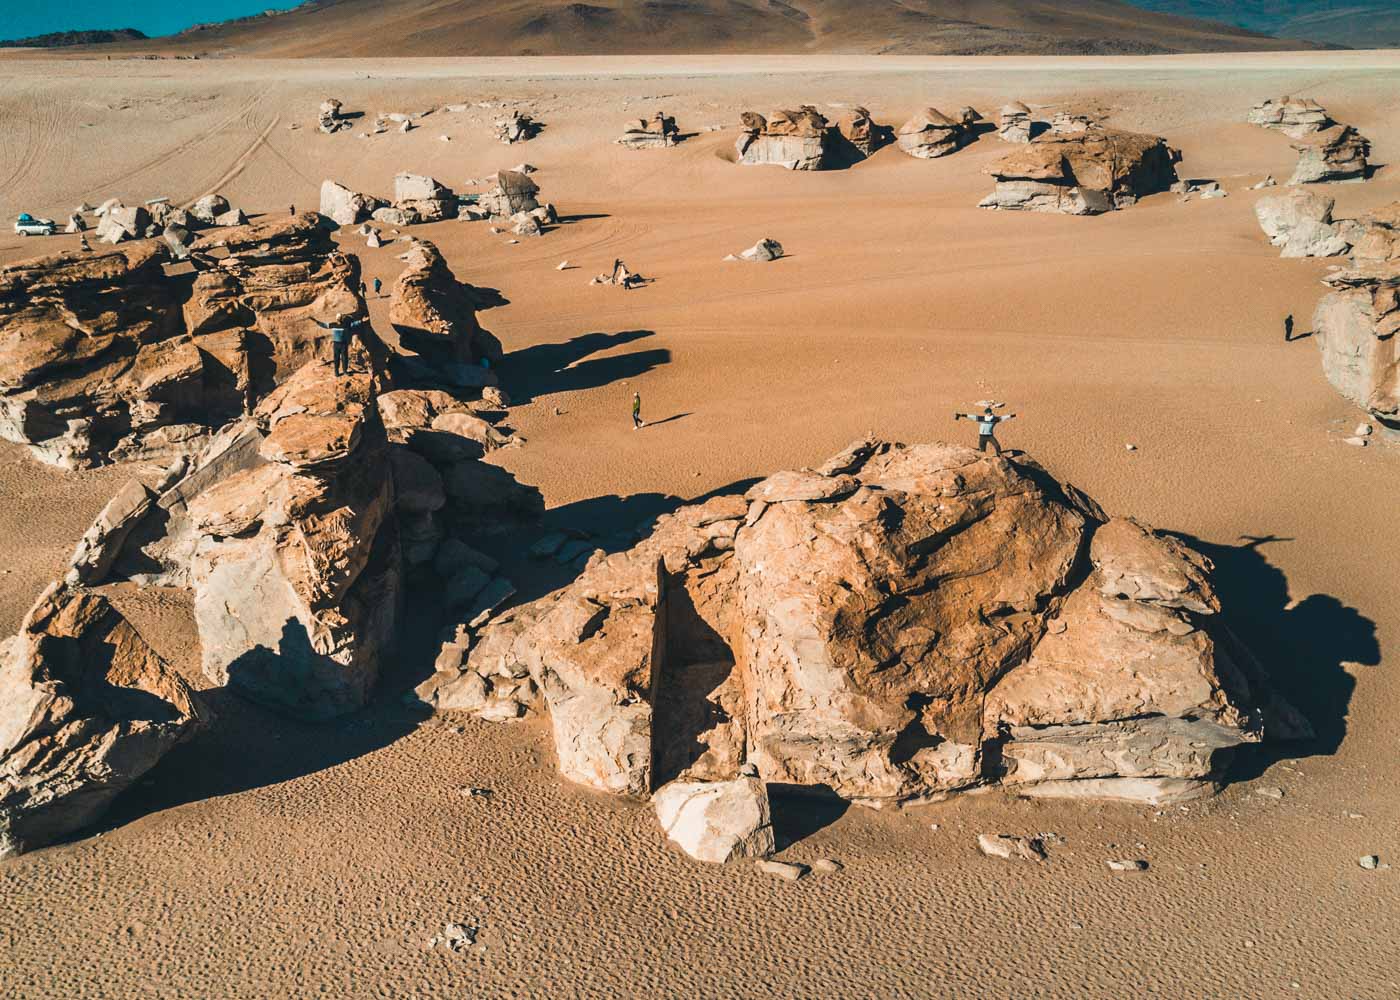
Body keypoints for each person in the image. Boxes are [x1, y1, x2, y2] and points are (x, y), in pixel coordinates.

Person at [314, 312, 366, 377]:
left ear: (341, 319)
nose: (339, 319)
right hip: (337, 344)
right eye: (338, 318)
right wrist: (317, 322)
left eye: (339, 318)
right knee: (337, 358)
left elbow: (353, 324)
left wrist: (361, 321)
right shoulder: (334, 324)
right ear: (337, 319)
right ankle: (337, 372)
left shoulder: (344, 325)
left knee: (344, 358)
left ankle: (344, 371)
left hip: (343, 344)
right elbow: (324, 325)